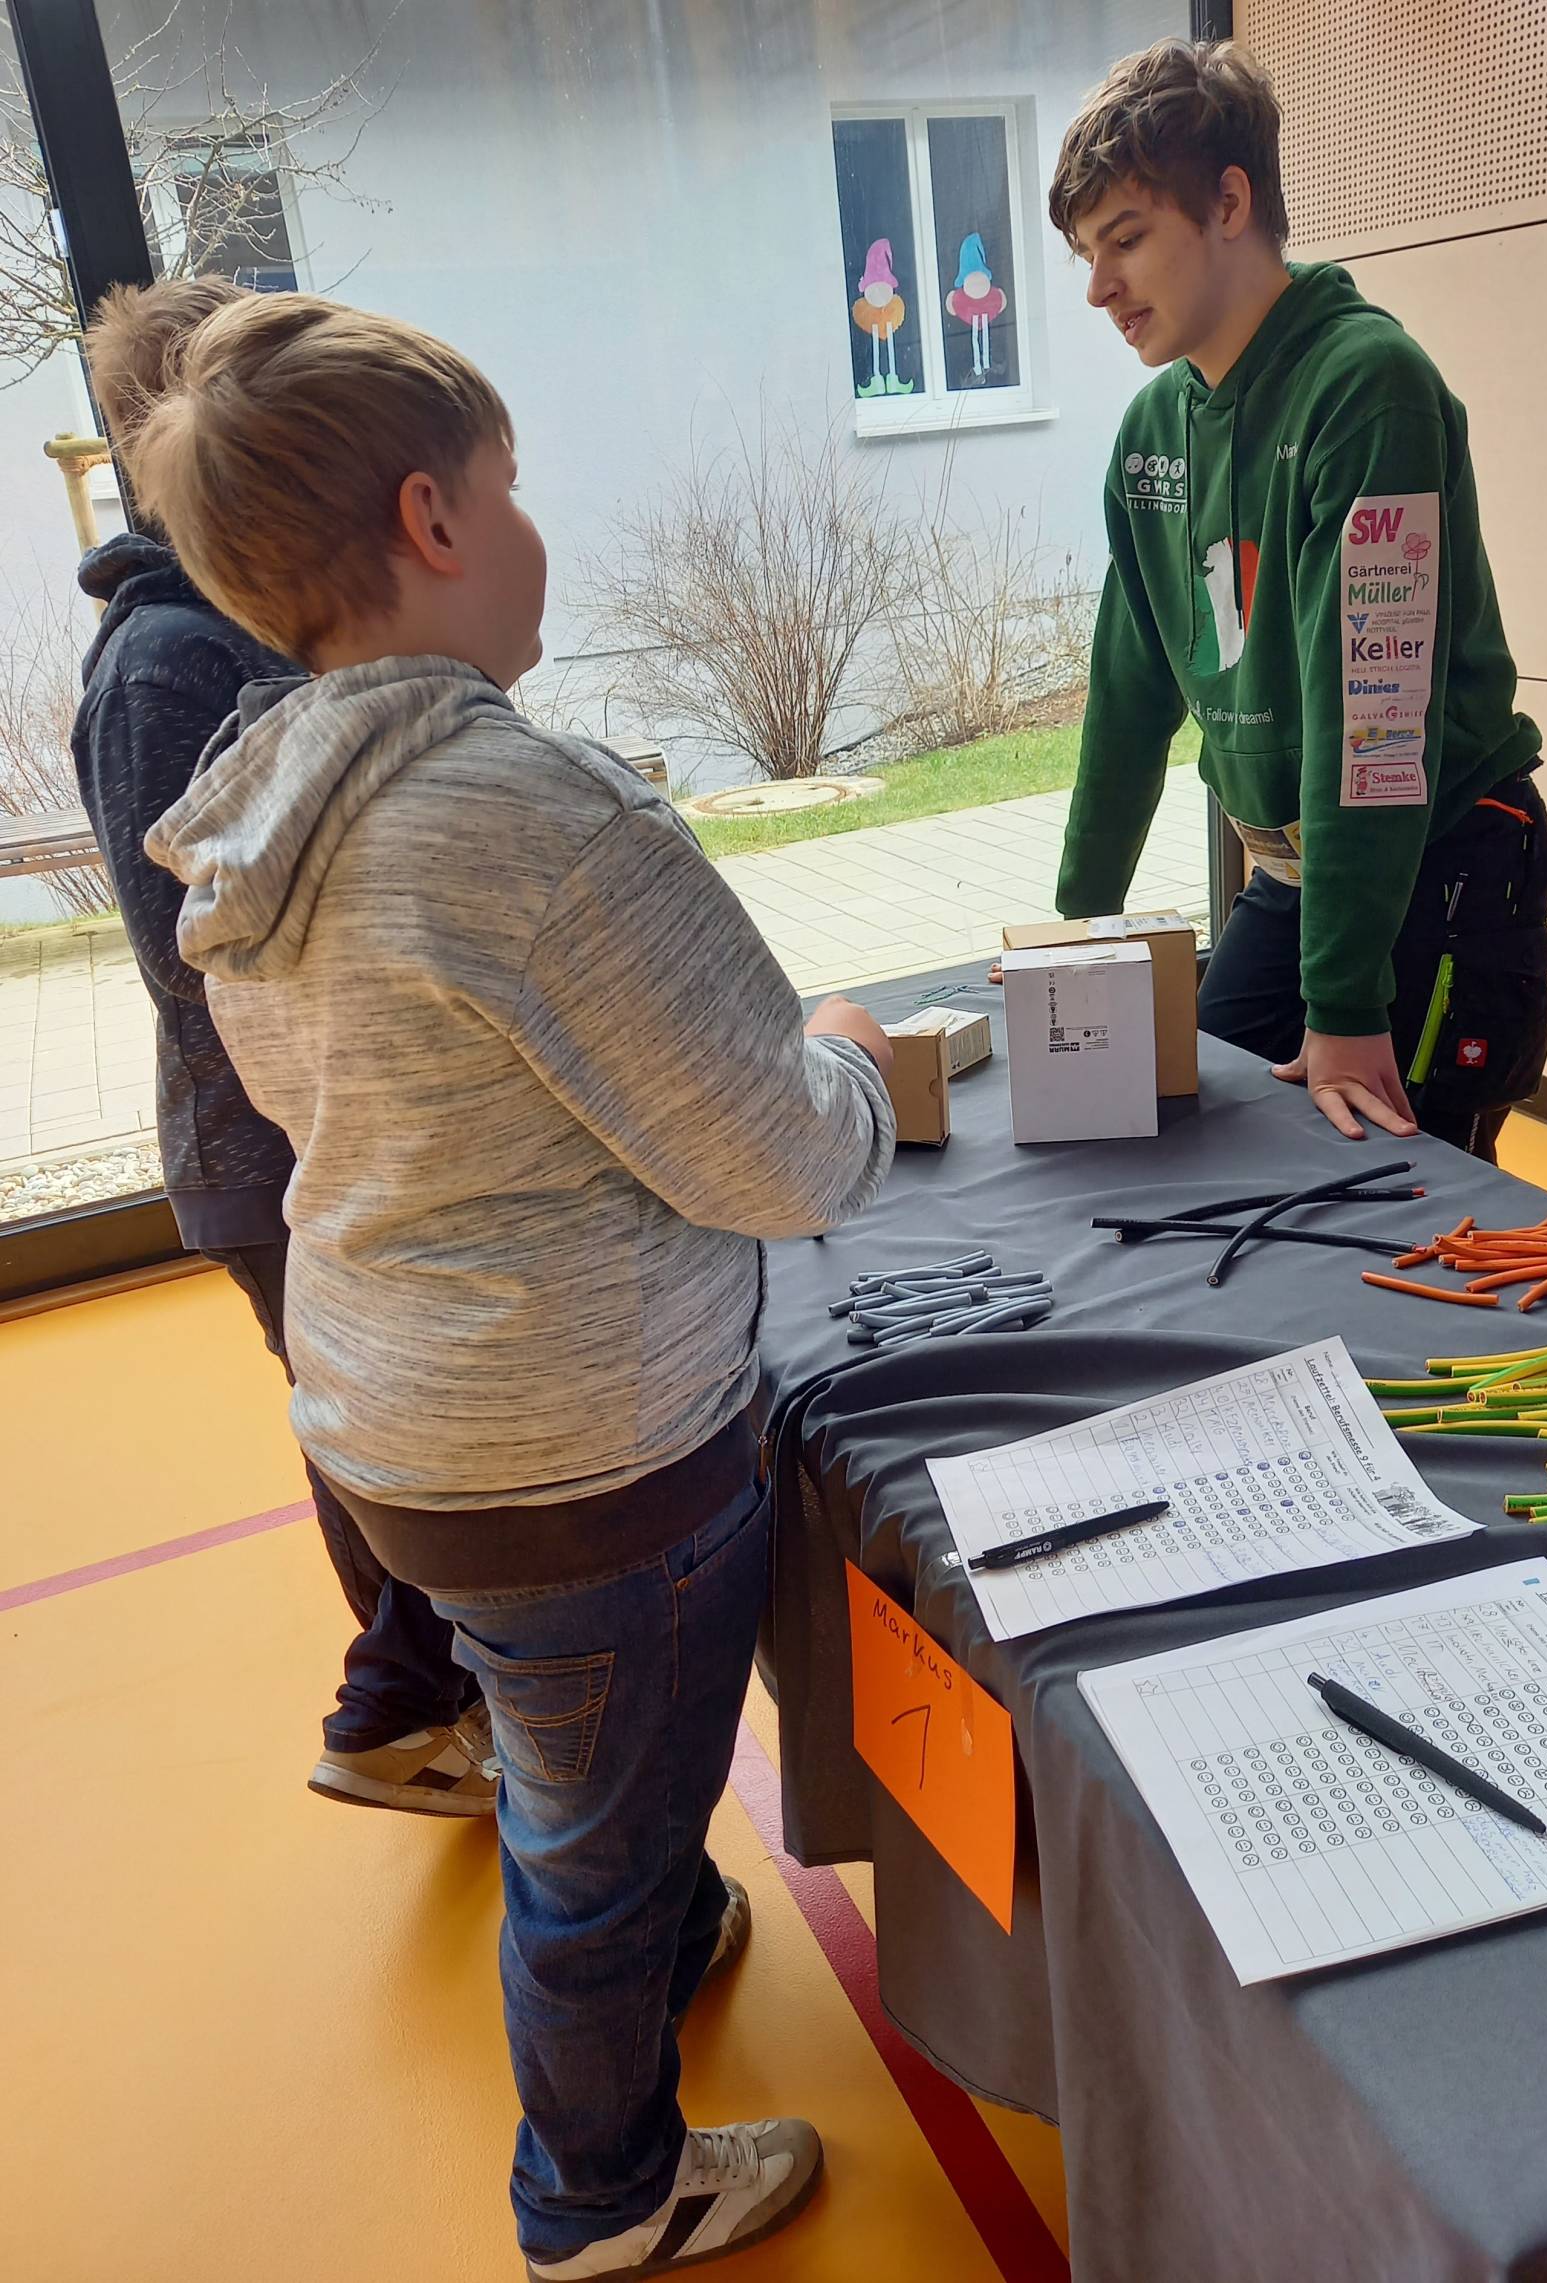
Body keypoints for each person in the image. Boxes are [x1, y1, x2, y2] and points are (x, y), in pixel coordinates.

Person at [125, 284, 896, 2277]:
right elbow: (782, 1157)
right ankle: (600, 2193)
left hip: (402, 1425)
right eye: (513, 481)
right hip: (584, 1459)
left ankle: (653, 1920)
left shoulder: (254, 817)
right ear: (434, 518)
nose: (533, 521)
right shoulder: (534, 815)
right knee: (585, 1839)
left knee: (579, 1768)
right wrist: (848, 1056)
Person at [74, 280, 495, 1816]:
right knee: (376, 1436)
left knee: (405, 1426)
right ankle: (403, 1710)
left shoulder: (252, 630)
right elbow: (194, 955)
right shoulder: (161, 665)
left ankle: (431, 1697)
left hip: (333, 1125)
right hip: (275, 1147)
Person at [1045, 38, 1547, 1158]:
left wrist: (1345, 1003)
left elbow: (1372, 724)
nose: (1097, 288)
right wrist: (1079, 930)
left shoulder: (1368, 389)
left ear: (1229, 204)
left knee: (1398, 1195)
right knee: (1194, 1131)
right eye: (1087, 253)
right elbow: (1129, 696)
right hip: (1293, 872)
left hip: (1440, 858)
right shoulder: (1153, 430)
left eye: (1125, 240)